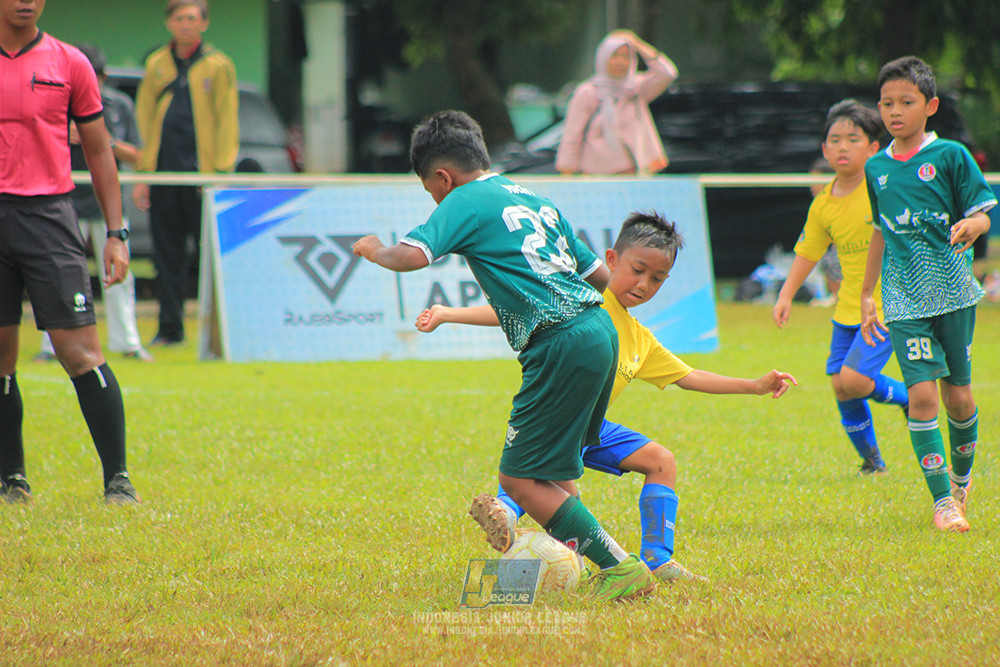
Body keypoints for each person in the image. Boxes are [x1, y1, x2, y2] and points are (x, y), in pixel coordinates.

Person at [352, 110, 656, 601]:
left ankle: (622, 568)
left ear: (443, 176)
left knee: (516, 478)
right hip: (596, 329)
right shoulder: (535, 197)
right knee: (552, 471)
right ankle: (578, 561)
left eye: (430, 188)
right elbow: (600, 276)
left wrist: (374, 249)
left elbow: (410, 256)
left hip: (558, 341)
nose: (433, 197)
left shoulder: (465, 198)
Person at [416, 211, 797, 583]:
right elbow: (516, 310)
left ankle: (658, 560)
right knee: (546, 482)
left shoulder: (641, 339)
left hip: (591, 428)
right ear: (611, 261)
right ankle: (506, 511)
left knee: (661, 461)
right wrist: (449, 313)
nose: (644, 284)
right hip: (557, 416)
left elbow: (689, 376)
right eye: (637, 270)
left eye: (657, 278)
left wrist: (755, 385)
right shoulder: (580, 299)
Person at [0, 0, 139, 504]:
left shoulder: (69, 62)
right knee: (2, 355)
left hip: (49, 219)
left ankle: (118, 480)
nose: (26, 1)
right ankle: (12, 479)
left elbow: (100, 151)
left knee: (79, 352)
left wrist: (116, 233)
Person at [860, 56, 996, 533]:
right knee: (922, 398)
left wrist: (973, 225)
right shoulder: (875, 167)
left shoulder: (951, 157)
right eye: (886, 103)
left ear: (930, 105)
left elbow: (984, 214)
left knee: (958, 397)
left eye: (906, 102)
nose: (895, 111)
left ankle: (961, 480)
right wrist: (867, 293)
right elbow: (880, 232)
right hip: (903, 300)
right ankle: (942, 503)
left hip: (953, 294)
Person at [773, 101, 909, 475]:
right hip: (848, 306)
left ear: (873, 147)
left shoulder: (884, 187)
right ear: (824, 151)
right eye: (835, 140)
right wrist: (785, 295)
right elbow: (807, 252)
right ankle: (873, 462)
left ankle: (910, 398)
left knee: (855, 380)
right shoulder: (822, 204)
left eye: (854, 138)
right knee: (840, 386)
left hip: (888, 303)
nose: (843, 146)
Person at [36, 43, 152, 364]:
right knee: (55, 273)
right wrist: (64, 134)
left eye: (96, 76)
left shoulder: (119, 105)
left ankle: (128, 342)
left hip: (106, 203)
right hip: (62, 200)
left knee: (118, 273)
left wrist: (98, 137)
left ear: (102, 76)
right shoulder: (52, 99)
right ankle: (50, 345)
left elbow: (137, 155)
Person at [133, 0, 238, 347]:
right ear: (169, 22)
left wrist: (221, 171)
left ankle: (222, 333)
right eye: (179, 18)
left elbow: (227, 120)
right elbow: (144, 120)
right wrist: (143, 175)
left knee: (212, 256)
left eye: (192, 18)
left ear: (203, 23)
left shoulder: (218, 65)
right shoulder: (156, 64)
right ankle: (169, 329)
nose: (185, 24)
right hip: (164, 176)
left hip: (203, 180)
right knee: (167, 257)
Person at [555, 29, 677, 176]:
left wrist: (636, 43)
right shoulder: (588, 91)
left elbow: (668, 73)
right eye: (614, 55)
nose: (620, 62)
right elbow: (572, 135)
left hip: (633, 174)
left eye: (626, 57)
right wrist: (567, 173)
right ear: (603, 57)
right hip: (596, 176)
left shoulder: (636, 88)